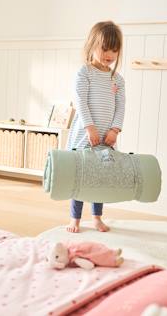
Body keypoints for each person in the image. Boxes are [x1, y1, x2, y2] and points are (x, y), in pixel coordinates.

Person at [66, 21, 125, 233]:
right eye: (104, 48)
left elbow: (120, 107)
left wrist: (115, 130)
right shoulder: (85, 73)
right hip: (85, 134)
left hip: (106, 138)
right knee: (80, 175)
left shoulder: (117, 79)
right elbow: (80, 100)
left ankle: (97, 217)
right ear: (92, 45)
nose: (109, 54)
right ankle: (75, 218)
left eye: (114, 49)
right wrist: (89, 127)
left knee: (100, 176)